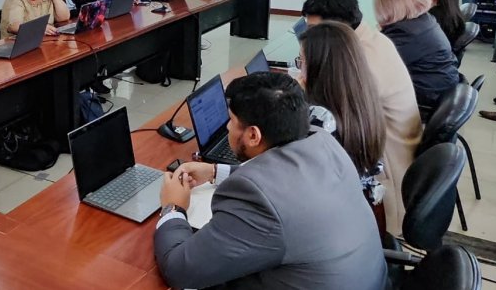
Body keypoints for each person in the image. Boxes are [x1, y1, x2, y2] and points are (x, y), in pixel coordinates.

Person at [155, 73, 387, 290]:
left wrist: (173, 207)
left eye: (232, 121)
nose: (226, 127)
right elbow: (287, 182)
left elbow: (179, 270)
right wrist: (215, 171)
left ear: (254, 135)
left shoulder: (258, 202)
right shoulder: (323, 141)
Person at [300, 0, 420, 232]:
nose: (310, 35)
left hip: (381, 163)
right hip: (378, 143)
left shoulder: (364, 57)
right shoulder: (370, 40)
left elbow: (327, 120)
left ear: (336, 28)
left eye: (314, 29)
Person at [297, 22, 388, 225]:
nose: (299, 70)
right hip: (363, 209)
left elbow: (283, 175)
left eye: (301, 61)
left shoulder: (320, 118)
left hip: (329, 220)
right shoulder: (363, 98)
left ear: (319, 68)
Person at [374, 0, 460, 112]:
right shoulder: (424, 19)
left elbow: (373, 67)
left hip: (427, 95)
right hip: (441, 85)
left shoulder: (405, 33)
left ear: (389, 8)